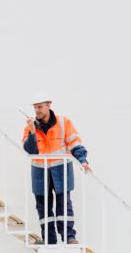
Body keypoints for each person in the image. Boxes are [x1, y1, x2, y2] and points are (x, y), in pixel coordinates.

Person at [21, 94, 91, 245]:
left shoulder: (63, 122)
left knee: (64, 205)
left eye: (40, 107)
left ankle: (69, 237)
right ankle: (49, 240)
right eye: (35, 107)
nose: (37, 111)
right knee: (43, 208)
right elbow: (30, 150)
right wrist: (33, 131)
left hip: (61, 170)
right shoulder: (30, 126)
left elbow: (75, 144)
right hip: (40, 173)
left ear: (49, 105)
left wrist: (83, 161)